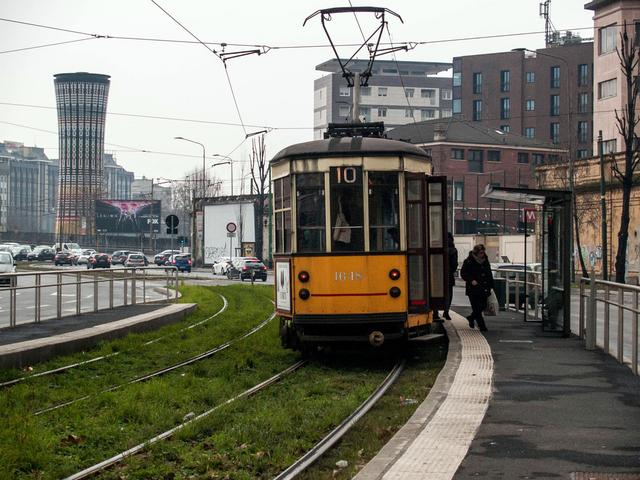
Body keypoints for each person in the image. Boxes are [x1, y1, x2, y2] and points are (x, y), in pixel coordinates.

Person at [460, 244, 494, 332]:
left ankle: (471, 318)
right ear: (476, 253)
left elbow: (489, 273)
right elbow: (463, 273)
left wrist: (491, 285)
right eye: (480, 253)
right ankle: (482, 326)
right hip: (473, 288)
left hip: (484, 287)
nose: (482, 254)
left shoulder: (485, 261)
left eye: (483, 252)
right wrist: (471, 280)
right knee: (476, 307)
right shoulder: (468, 261)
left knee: (483, 305)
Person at [443, 233, 458, 320]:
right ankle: (446, 311)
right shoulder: (453, 250)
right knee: (449, 294)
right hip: (448, 275)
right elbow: (454, 264)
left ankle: (436, 313)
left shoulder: (439, 248)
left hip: (438, 275)